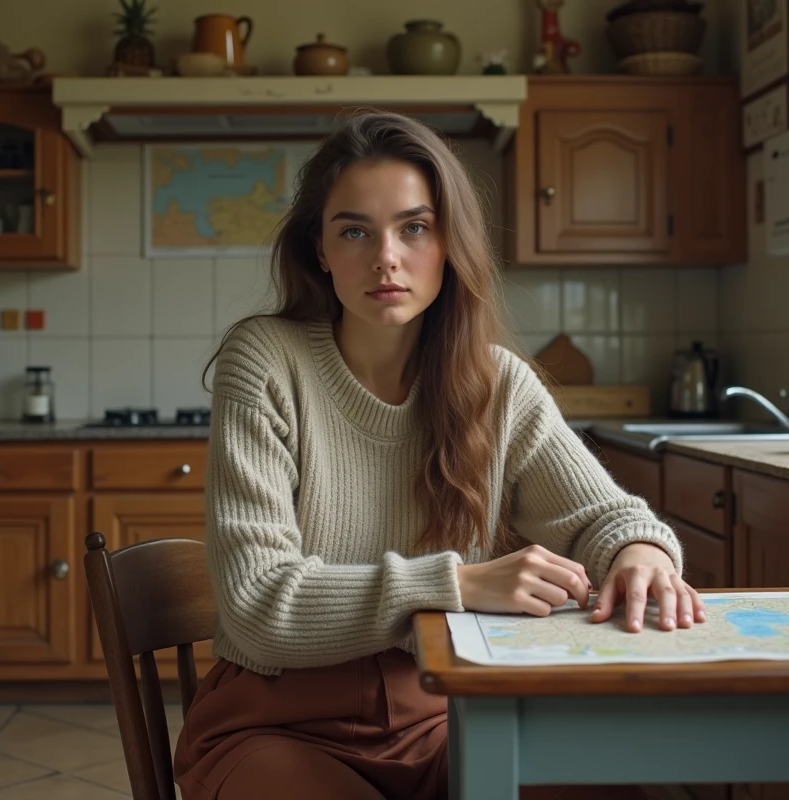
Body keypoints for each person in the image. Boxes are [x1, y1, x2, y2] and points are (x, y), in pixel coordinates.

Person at [173, 110, 705, 800]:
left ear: (449, 242)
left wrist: (641, 553)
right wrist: (460, 584)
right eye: (354, 231)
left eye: (414, 228)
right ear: (319, 250)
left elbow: (605, 519)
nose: (385, 257)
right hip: (275, 724)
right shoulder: (266, 361)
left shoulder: (499, 383)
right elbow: (256, 605)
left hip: (446, 716)